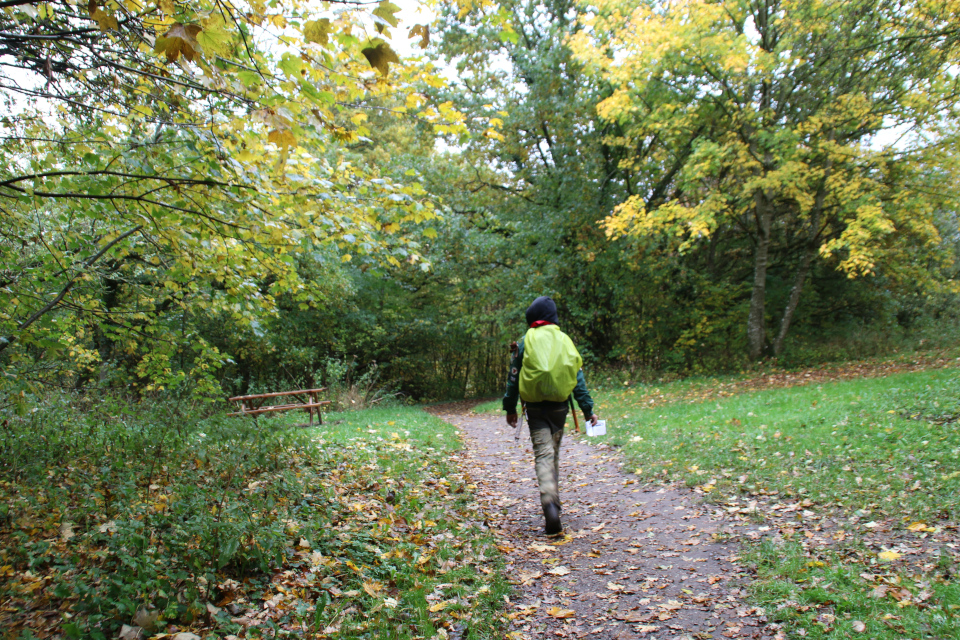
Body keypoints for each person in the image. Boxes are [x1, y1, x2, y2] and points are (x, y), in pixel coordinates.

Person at [503, 296, 599, 535]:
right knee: (553, 452)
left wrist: (510, 407)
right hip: (559, 408)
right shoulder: (565, 340)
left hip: (534, 409)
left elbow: (513, 378)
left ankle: (549, 503)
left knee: (543, 454)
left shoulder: (525, 341)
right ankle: (553, 502)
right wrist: (588, 410)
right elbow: (577, 379)